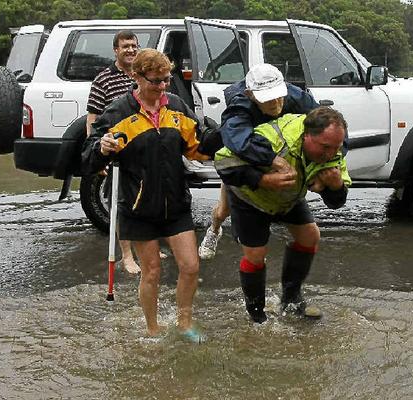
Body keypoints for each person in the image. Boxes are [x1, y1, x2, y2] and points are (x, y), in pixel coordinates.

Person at [82, 49, 208, 341]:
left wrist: (218, 144)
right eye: (155, 81)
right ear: (136, 77)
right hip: (138, 209)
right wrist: (101, 149)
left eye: (166, 80)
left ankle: (184, 322)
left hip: (175, 203)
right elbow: (87, 157)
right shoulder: (117, 113)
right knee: (151, 271)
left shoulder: (175, 106)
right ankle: (152, 328)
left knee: (190, 266)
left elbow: (196, 146)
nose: (162, 87)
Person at [214, 107, 352, 323]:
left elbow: (336, 203)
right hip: (251, 198)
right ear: (307, 135)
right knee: (256, 255)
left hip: (289, 198)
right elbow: (222, 162)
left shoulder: (333, 151)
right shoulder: (276, 140)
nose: (330, 154)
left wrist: (335, 187)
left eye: (336, 147)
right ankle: (257, 314)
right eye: (325, 147)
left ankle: (291, 299)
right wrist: (262, 180)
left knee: (310, 236)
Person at [197, 63, 320, 260]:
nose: (276, 102)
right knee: (223, 211)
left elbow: (327, 122)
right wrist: (272, 160)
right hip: (244, 165)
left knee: (309, 234)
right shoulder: (240, 107)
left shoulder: (295, 96)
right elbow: (238, 144)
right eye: (268, 99)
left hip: (283, 166)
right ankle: (214, 229)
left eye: (279, 95)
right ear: (251, 95)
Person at [85, 30, 148, 274]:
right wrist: (96, 153)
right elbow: (92, 119)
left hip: (145, 148)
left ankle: (147, 248)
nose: (131, 50)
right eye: (125, 46)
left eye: (134, 45)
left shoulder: (144, 74)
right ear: (115, 50)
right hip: (118, 151)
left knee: (146, 200)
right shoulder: (104, 79)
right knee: (121, 203)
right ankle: (127, 256)